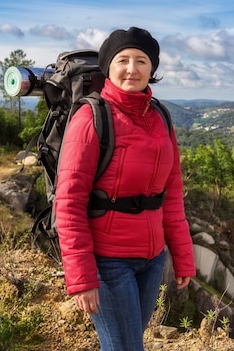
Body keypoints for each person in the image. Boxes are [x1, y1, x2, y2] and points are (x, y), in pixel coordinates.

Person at [53, 26, 195, 351]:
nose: (132, 68)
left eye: (142, 60)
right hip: (107, 260)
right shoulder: (91, 118)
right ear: (108, 67)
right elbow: (69, 203)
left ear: (152, 69)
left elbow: (171, 194)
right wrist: (81, 278)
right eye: (123, 60)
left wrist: (182, 256)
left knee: (126, 344)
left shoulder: (160, 117)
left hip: (152, 259)